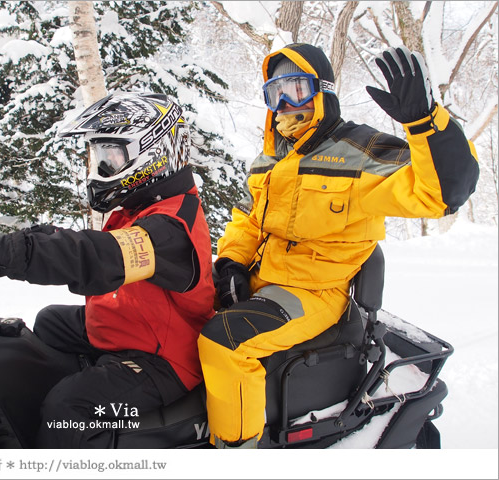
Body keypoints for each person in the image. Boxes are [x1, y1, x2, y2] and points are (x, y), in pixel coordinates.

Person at [197, 43, 480, 448]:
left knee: (226, 342)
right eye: (274, 93)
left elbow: (442, 193)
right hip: (262, 281)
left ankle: (237, 450)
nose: (284, 104)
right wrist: (230, 263)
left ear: (322, 90)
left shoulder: (361, 153)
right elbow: (247, 219)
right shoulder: (271, 157)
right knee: (176, 298)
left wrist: (424, 121)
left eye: (295, 89)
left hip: (314, 293)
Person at [0, 92, 216, 448]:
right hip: (141, 328)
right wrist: (10, 245)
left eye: (112, 156)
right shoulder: (144, 206)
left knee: (67, 408)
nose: (101, 168)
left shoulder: (171, 228)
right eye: (99, 157)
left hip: (166, 360)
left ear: (152, 156)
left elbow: (97, 257)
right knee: (48, 323)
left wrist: (8, 255)